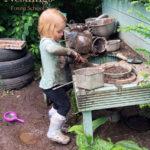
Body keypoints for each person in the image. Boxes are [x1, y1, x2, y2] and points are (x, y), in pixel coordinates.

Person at [38, 8, 85, 145]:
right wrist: (70, 52)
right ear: (48, 29)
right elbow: (54, 49)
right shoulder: (47, 43)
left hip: (54, 83)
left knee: (59, 103)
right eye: (59, 31)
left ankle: (56, 121)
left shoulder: (50, 40)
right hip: (52, 85)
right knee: (65, 105)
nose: (61, 34)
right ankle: (53, 132)